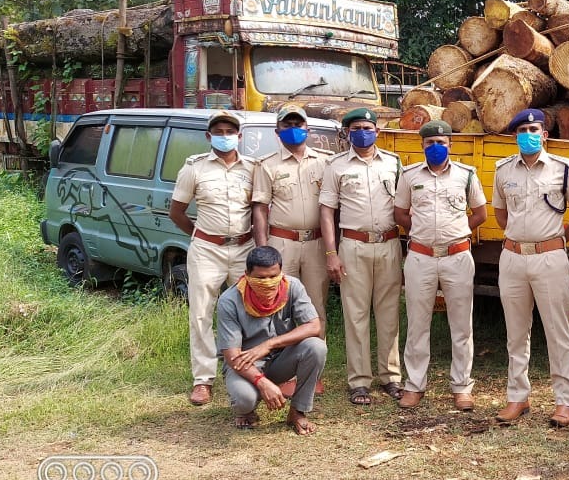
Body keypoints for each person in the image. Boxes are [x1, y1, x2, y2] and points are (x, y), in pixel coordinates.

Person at [492, 109, 569, 428]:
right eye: (521, 130)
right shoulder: (503, 170)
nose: (527, 134)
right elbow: (501, 215)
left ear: (544, 134)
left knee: (557, 331)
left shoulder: (563, 169)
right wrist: (521, 237)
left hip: (550, 258)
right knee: (516, 332)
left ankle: (564, 402)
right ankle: (517, 397)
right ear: (515, 136)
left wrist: (559, 238)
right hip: (513, 258)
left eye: (533, 129)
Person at [394, 120, 487, 410]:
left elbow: (480, 213)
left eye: (441, 143)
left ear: (451, 145)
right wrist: (422, 232)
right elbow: (400, 213)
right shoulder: (409, 176)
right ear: (422, 145)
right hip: (420, 257)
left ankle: (462, 387)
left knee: (461, 325)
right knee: (418, 324)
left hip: (457, 256)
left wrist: (457, 232)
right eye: (430, 143)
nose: (436, 148)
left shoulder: (466, 175)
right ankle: (414, 385)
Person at [169, 110, 256, 406]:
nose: (224, 136)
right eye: (218, 131)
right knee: (202, 312)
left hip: (244, 248)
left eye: (230, 132)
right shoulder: (194, 168)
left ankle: (247, 368)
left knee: (249, 311)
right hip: (207, 250)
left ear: (239, 136)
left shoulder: (253, 169)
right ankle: (203, 379)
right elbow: (176, 212)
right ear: (209, 136)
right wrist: (202, 234)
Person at [319, 107, 405, 406]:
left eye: (367, 128)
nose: (362, 133)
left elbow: (404, 206)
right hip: (352, 246)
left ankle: (391, 376)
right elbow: (327, 211)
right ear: (347, 133)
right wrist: (331, 252)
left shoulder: (394, 164)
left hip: (389, 244)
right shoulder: (336, 166)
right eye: (356, 128)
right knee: (354, 315)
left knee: (389, 312)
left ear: (378, 131)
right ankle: (359, 381)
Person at [216, 245, 327, 435]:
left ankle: (297, 411)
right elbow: (232, 356)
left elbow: (314, 326)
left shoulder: (292, 286)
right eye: (260, 278)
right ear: (246, 275)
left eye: (272, 276)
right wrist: (261, 382)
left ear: (281, 272)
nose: (267, 282)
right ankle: (247, 409)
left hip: (280, 360)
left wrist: (269, 344)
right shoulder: (229, 300)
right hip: (244, 364)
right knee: (244, 400)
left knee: (316, 347)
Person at [252, 102, 331, 335]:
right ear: (277, 131)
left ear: (308, 129)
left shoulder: (326, 162)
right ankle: (283, 366)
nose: (294, 128)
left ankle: (314, 364)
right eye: (287, 124)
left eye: (298, 124)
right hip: (282, 243)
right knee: (279, 306)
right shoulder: (267, 165)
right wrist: (263, 250)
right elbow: (260, 209)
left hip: (316, 244)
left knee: (316, 307)